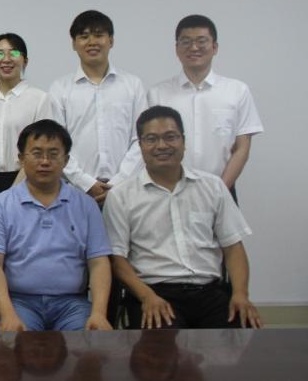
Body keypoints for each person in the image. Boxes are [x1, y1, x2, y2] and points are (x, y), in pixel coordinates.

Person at [104, 105, 262, 329]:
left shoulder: (212, 186)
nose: (162, 145)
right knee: (163, 346)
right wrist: (147, 297)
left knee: (238, 340)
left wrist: (240, 294)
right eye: (151, 139)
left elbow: (233, 248)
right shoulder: (121, 195)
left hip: (210, 292)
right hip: (154, 292)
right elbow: (117, 259)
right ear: (140, 146)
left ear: (183, 141)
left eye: (170, 137)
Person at [0, 119, 113, 332]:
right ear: (21, 159)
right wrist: (8, 315)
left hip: (72, 304)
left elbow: (98, 262)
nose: (45, 161)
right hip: (18, 303)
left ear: (66, 160)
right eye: (37, 153)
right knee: (17, 345)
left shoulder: (86, 205)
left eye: (53, 154)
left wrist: (98, 314)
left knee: (88, 344)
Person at [146, 15, 263, 193]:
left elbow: (242, 148)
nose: (194, 48)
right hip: (169, 191)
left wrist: (219, 191)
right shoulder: (157, 94)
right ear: (176, 48)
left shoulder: (237, 91)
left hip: (222, 189)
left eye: (201, 41)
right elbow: (150, 147)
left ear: (215, 47)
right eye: (186, 42)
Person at [48, 10, 146, 203]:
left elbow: (141, 139)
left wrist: (118, 182)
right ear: (74, 44)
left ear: (111, 41)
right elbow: (56, 144)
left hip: (126, 191)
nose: (92, 42)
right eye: (84, 36)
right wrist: (86, 183)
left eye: (99, 35)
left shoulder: (133, 85)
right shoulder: (59, 89)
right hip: (75, 192)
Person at [0, 33, 54, 209]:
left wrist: (12, 194)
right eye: (0, 53)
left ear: (25, 60)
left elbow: (41, 149)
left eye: (14, 53)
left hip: (26, 182)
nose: (6, 59)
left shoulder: (39, 99)